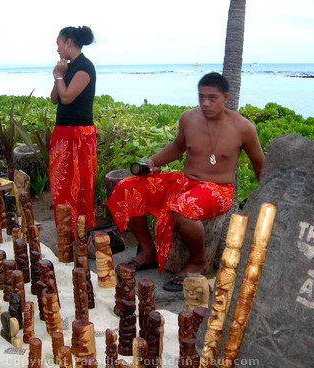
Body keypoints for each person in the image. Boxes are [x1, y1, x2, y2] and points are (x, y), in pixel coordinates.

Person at [107, 72, 265, 292]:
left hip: (218, 191)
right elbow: (177, 147)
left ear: (226, 97)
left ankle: (198, 261)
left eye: (212, 98)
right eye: (201, 97)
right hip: (185, 182)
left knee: (183, 207)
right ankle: (148, 251)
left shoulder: (243, 128)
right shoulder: (189, 118)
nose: (205, 103)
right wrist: (151, 161)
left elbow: (260, 166)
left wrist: (263, 203)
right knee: (128, 187)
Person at [50, 26, 97, 234]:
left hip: (79, 134)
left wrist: (60, 76)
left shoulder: (85, 67)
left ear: (68, 42)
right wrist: (58, 75)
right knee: (61, 185)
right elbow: (55, 99)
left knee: (80, 187)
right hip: (63, 133)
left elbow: (67, 97)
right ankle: (66, 232)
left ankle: (81, 234)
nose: (57, 49)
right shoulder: (68, 68)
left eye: (58, 44)